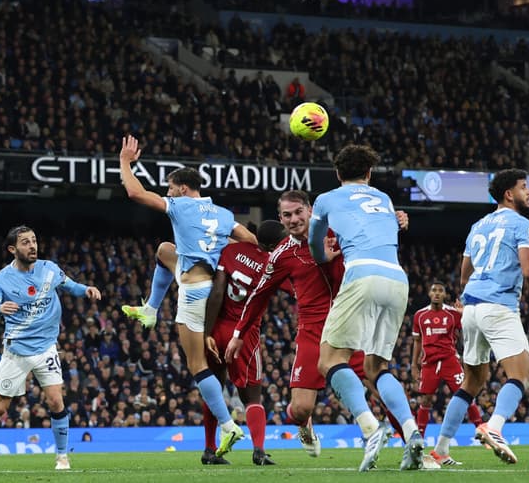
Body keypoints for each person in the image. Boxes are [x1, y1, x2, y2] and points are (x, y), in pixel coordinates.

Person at [226, 190, 409, 459]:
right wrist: (238, 334)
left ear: (310, 210)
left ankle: (412, 444)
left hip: (349, 323)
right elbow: (259, 296)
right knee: (301, 409)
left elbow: (370, 225)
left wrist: (395, 219)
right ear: (280, 219)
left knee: (379, 386)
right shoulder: (281, 255)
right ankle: (305, 425)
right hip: (312, 331)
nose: (294, 219)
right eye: (287, 215)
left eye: (298, 212)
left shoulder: (337, 232)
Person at [117, 135, 257, 458]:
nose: (167, 192)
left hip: (194, 293)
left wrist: (125, 161)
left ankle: (228, 426)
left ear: (182, 189)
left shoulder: (179, 205)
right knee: (165, 250)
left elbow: (135, 193)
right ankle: (151, 309)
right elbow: (250, 240)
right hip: (213, 287)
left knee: (197, 365)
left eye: (170, 188)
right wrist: (222, 248)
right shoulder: (223, 214)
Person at [431, 169, 529, 466]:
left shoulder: (478, 225)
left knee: (471, 383)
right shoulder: (522, 224)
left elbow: (465, 274)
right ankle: (495, 427)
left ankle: (440, 449)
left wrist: (471, 298)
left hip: (471, 308)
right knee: (521, 375)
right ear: (509, 194)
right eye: (524, 187)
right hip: (499, 306)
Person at [308, 144, 424, 472]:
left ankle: (370, 428)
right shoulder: (384, 199)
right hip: (397, 279)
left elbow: (315, 244)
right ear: (369, 173)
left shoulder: (326, 199)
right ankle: (412, 432)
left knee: (330, 360)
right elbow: (386, 227)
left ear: (337, 173)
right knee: (376, 367)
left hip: (361, 274)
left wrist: (322, 256)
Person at [0, 225, 102, 471]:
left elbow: (70, 285)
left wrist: (86, 289)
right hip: (17, 350)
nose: (32, 245)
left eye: (34, 240)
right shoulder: (1, 279)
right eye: (25, 242)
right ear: (12, 249)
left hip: (46, 348)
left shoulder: (49, 269)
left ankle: (62, 457)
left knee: (56, 401)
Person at [202, 220, 289, 466]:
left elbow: (217, 293)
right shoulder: (273, 264)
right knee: (252, 397)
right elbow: (294, 288)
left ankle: (209, 449)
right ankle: (258, 450)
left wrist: (207, 333)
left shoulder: (231, 251)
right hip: (244, 335)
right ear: (273, 245)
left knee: (214, 389)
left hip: (217, 328)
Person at [411, 281, 483, 457]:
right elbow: (417, 341)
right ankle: (419, 441)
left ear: (444, 295)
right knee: (426, 400)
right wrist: (414, 364)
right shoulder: (420, 315)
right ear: (429, 294)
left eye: (440, 291)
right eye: (434, 290)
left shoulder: (453, 313)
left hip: (450, 360)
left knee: (466, 394)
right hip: (429, 363)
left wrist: (464, 315)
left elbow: (470, 329)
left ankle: (482, 431)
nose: (437, 293)